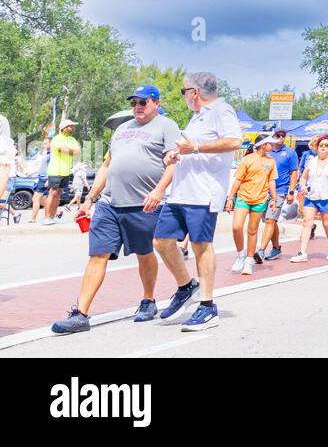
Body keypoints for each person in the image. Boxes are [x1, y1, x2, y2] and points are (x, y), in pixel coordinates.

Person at [51, 85, 186, 334]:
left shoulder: (167, 126)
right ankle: (80, 314)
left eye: (142, 102)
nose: (137, 107)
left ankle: (148, 300)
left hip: (143, 204)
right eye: (134, 102)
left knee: (144, 254)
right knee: (98, 254)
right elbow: (106, 166)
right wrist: (90, 199)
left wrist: (159, 191)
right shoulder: (123, 129)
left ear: (155, 103)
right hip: (109, 203)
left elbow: (172, 163)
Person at [152, 72, 243, 332]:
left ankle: (207, 305)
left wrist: (197, 149)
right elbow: (188, 148)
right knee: (161, 240)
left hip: (204, 193)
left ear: (194, 92)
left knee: (202, 246)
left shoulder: (221, 111)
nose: (183, 97)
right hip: (180, 192)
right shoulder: (196, 118)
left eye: (183, 91)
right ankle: (186, 286)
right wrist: (174, 154)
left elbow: (235, 141)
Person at [225, 134, 276, 276]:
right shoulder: (247, 159)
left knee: (252, 231)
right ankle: (241, 254)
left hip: (260, 199)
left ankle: (248, 261)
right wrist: (230, 198)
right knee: (236, 227)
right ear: (262, 145)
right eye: (269, 143)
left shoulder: (271, 161)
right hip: (243, 198)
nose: (272, 146)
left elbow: (271, 181)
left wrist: (274, 199)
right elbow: (238, 180)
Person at [291, 136, 328, 261]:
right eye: (321, 145)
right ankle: (302, 252)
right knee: (307, 222)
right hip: (311, 196)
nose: (323, 147)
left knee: (326, 223)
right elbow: (303, 177)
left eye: (326, 145)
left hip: (327, 196)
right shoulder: (311, 161)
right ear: (317, 147)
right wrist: (302, 186)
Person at [255, 130, 299, 262]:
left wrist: (291, 191)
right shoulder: (266, 150)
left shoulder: (290, 152)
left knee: (270, 220)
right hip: (263, 190)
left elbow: (294, 172)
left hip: (280, 190)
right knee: (270, 221)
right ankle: (276, 248)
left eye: (282, 136)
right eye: (277, 136)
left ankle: (261, 250)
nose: (280, 138)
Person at [42, 118, 81, 225]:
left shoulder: (72, 139)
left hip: (65, 171)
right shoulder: (57, 138)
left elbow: (77, 151)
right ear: (64, 128)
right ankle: (46, 217)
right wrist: (70, 150)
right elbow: (61, 149)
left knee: (58, 194)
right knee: (52, 193)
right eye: (71, 126)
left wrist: (67, 149)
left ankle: (53, 216)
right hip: (55, 170)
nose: (73, 127)